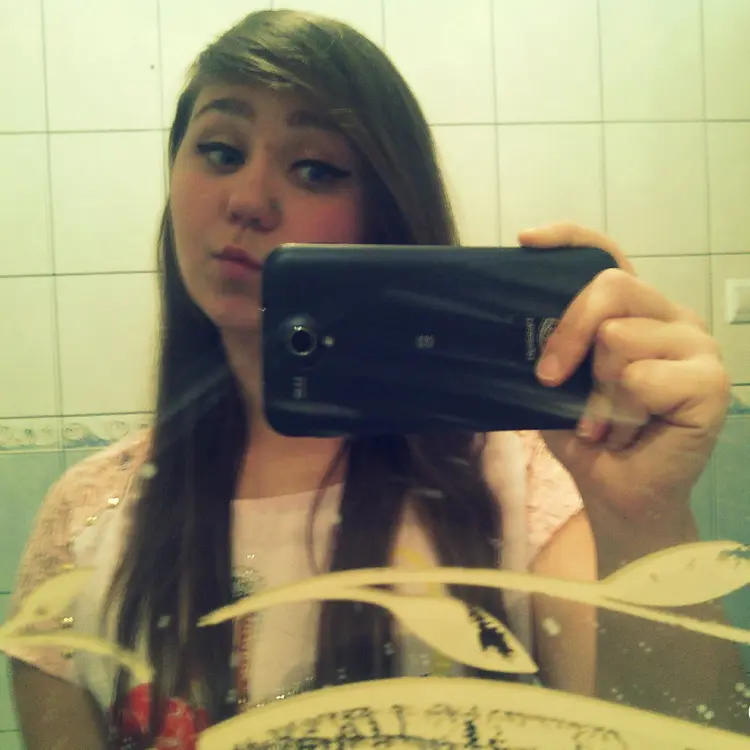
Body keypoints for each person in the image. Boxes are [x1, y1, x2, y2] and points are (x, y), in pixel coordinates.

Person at [6, 9, 747, 750]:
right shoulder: (84, 522)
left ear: (385, 215)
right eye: (221, 151)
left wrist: (642, 521)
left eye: (315, 168)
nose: (248, 199)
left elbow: (666, 736)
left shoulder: (513, 479)